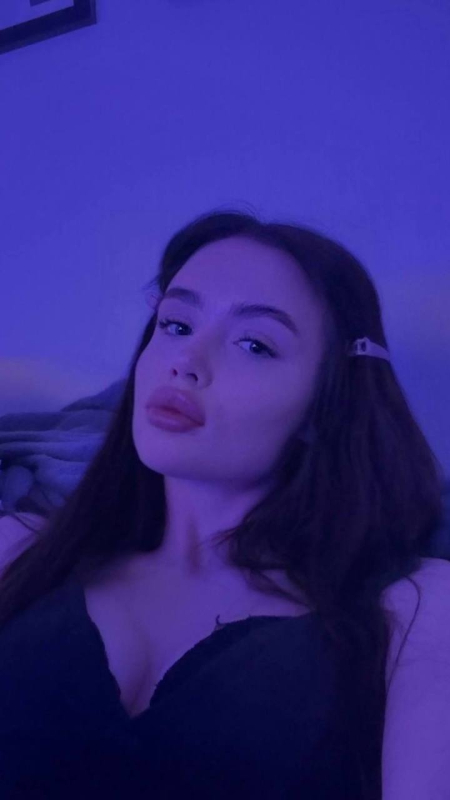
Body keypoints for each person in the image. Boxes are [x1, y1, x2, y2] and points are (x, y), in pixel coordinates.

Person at [0, 209, 445, 799]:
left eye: (254, 344)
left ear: (323, 408)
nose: (186, 360)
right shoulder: (20, 549)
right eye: (176, 324)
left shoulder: (413, 608)